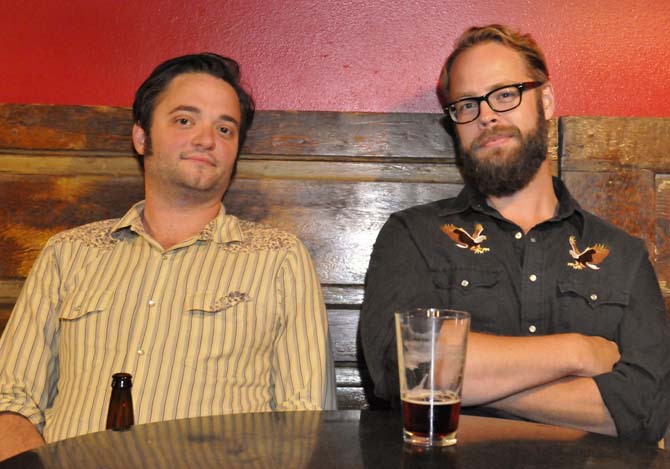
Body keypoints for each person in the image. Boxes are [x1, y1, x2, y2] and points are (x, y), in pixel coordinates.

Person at [0, 53, 336, 460]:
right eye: (184, 120)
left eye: (225, 128)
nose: (206, 139)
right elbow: (10, 401)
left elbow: (307, 423)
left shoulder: (278, 258)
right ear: (142, 137)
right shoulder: (69, 253)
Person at [361, 24, 670, 442]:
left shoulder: (623, 256)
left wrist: (469, 388)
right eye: (466, 105)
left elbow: (645, 410)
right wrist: (577, 352)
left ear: (545, 100)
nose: (486, 115)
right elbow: (400, 368)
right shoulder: (413, 237)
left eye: (505, 94)